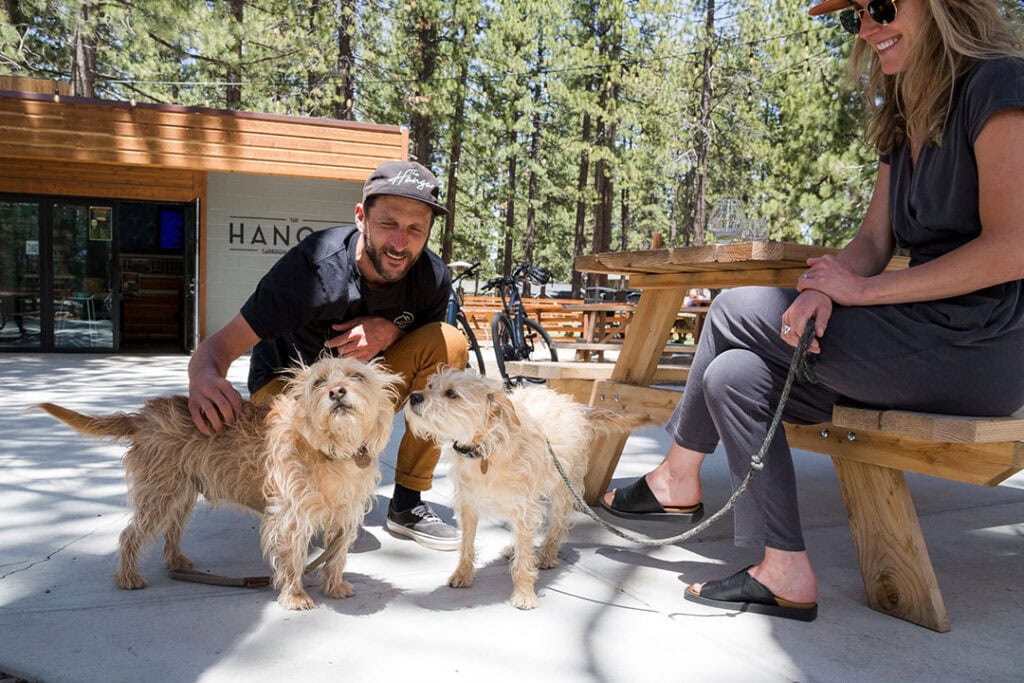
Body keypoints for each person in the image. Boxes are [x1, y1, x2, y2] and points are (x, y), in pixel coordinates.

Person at [601, 0, 1024, 621]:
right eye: (856, 13)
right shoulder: (906, 106)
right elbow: (875, 241)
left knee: (737, 309)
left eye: (882, 6)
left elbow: (1013, 247)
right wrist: (828, 287)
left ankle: (675, 477)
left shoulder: (997, 83)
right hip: (914, 343)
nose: (866, 27)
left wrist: (864, 293)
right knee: (733, 377)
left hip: (980, 349)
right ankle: (784, 570)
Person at [187, 160, 469, 551]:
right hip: (288, 387)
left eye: (415, 229)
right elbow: (219, 346)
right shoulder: (309, 271)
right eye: (388, 223)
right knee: (303, 502)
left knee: (450, 343)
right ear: (361, 217)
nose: (400, 243)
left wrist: (392, 330)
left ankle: (407, 502)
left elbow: (430, 352)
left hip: (366, 384)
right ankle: (297, 489)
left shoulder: (431, 277)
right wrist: (203, 376)